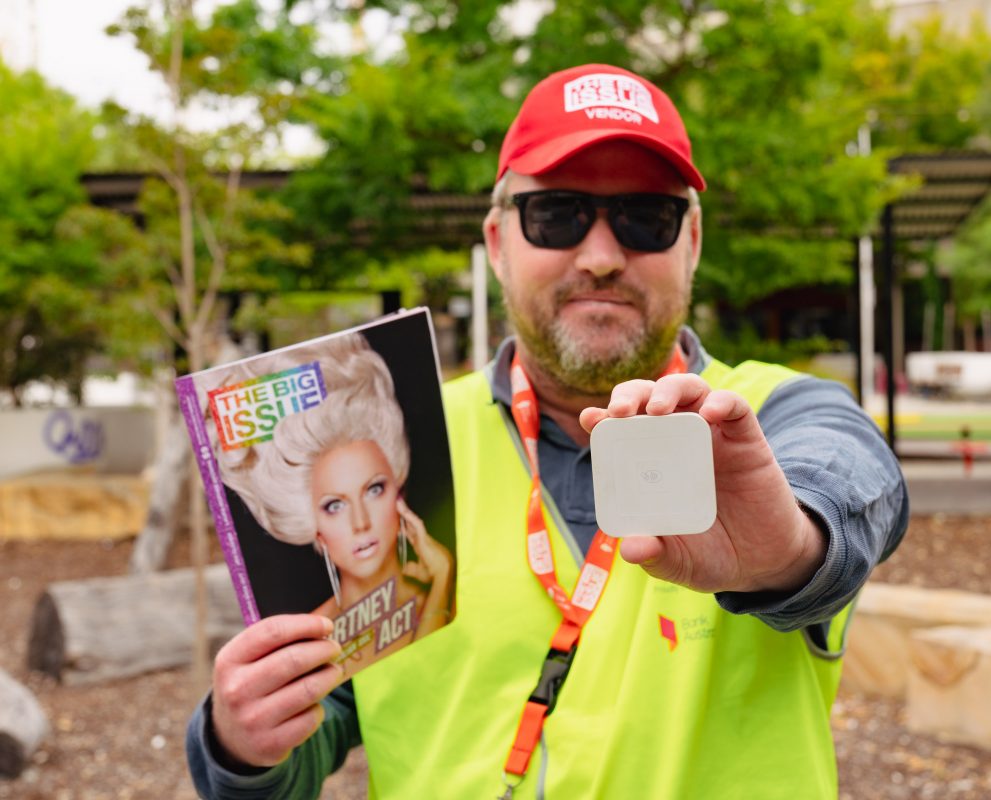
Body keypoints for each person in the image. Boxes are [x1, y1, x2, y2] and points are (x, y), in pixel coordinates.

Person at [187, 63, 907, 798]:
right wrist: (244, 745)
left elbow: (848, 485)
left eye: (645, 218)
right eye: (557, 215)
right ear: (498, 242)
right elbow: (321, 726)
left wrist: (789, 550)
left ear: (690, 241)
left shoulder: (772, 416)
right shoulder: (403, 443)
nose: (600, 256)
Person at [200, 333, 455, 676]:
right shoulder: (301, 648)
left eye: (374, 489)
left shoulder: (457, 590)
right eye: (335, 506)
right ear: (313, 527)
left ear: (400, 494)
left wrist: (442, 582)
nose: (361, 523)